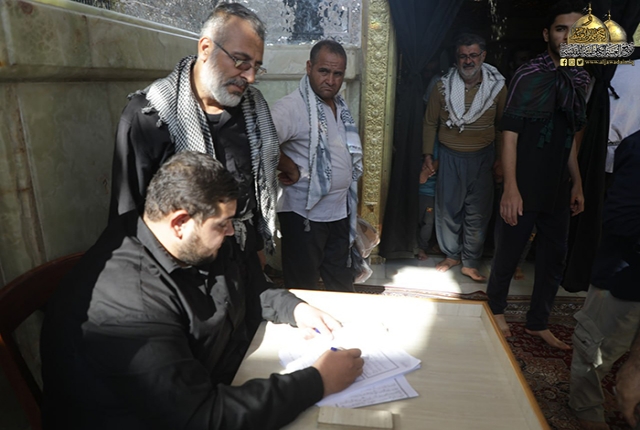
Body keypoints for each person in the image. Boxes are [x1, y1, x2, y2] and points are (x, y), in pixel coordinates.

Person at [40, 152, 364, 430]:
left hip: (219, 378)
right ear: (179, 222)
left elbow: (247, 284)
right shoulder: (131, 302)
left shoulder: (191, 237)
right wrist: (317, 382)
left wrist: (293, 308)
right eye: (222, 225)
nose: (230, 232)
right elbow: (200, 418)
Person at [109, 3, 279, 326]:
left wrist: (256, 248)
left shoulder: (253, 110)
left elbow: (255, 191)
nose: (250, 77)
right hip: (182, 279)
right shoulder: (149, 117)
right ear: (205, 48)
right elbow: (128, 217)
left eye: (257, 66)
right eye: (241, 61)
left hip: (242, 269)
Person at [486, 0, 589, 350]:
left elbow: (570, 138)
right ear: (547, 34)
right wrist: (510, 188)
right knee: (509, 252)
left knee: (554, 257)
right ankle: (495, 310)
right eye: (561, 29)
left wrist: (577, 182)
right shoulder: (528, 75)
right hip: (525, 181)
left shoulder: (580, 78)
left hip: (558, 185)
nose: (568, 37)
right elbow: (510, 134)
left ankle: (538, 322)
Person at [568, 67, 640, 430]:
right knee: (597, 351)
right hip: (624, 272)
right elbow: (622, 218)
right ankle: (586, 410)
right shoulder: (637, 147)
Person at [270, 40, 363, 292]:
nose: (330, 80)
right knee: (303, 287)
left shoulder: (340, 106)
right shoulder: (291, 107)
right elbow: (261, 141)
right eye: (324, 71)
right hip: (304, 216)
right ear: (309, 67)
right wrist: (289, 167)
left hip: (339, 212)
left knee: (341, 282)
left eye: (337, 74)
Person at [422, 33, 507, 281]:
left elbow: (503, 126)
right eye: (463, 56)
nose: (468, 61)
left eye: (473, 55)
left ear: (483, 56)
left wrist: (501, 160)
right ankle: (452, 255)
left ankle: (470, 261)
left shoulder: (497, 87)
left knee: (478, 213)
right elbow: (430, 123)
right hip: (450, 158)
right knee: (448, 210)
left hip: (483, 159)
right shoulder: (442, 86)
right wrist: (428, 155)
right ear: (456, 58)